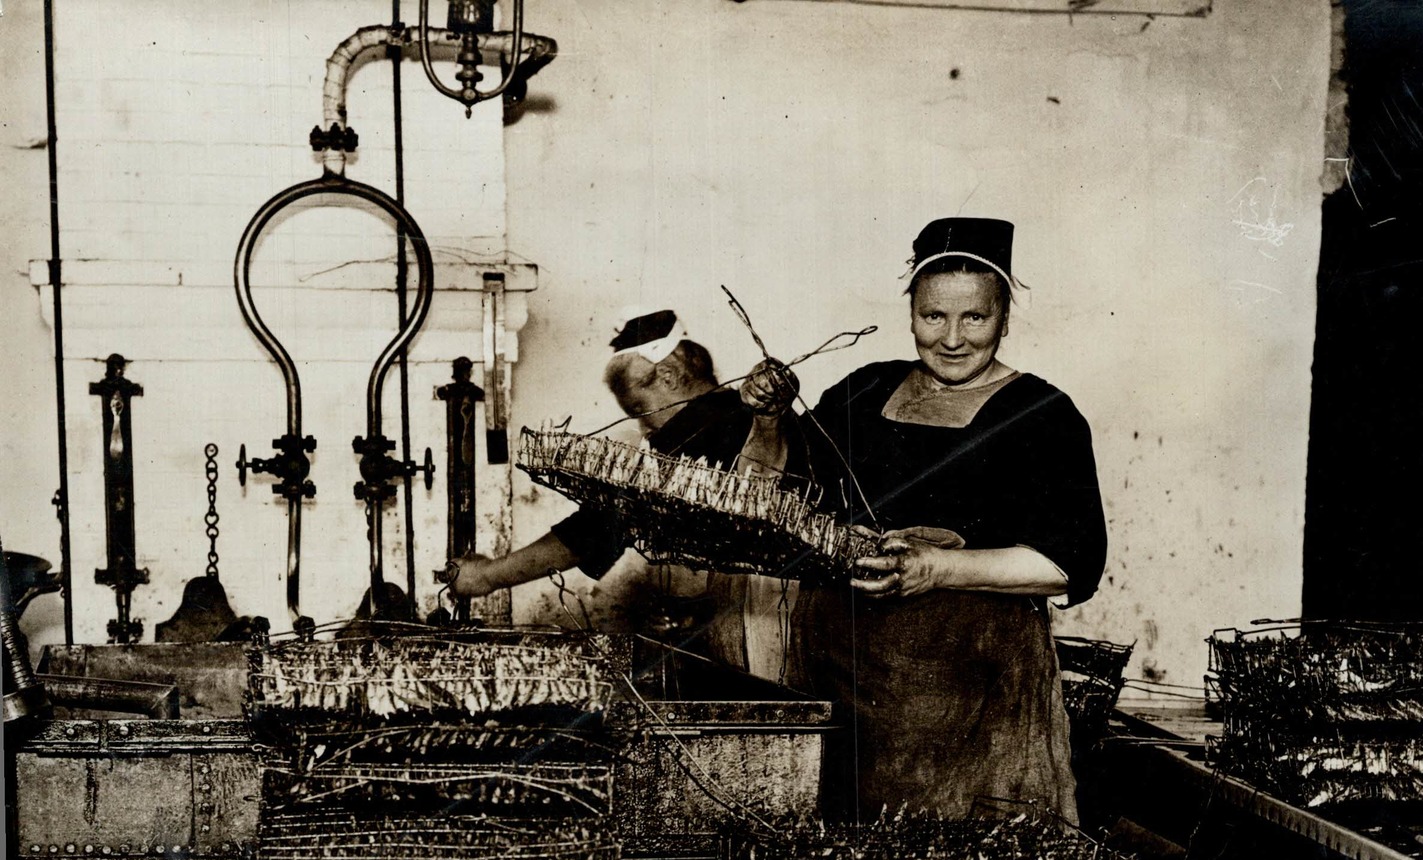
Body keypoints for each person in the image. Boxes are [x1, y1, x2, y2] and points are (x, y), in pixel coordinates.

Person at [741, 217, 1107, 822]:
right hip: (841, 677)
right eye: (934, 316)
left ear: (1005, 318)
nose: (953, 339)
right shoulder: (863, 391)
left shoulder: (1043, 415)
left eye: (975, 318)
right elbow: (775, 493)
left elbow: (1068, 563)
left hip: (972, 696)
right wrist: (769, 419)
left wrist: (934, 568)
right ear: (912, 313)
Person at [449, 309, 799, 680]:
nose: (643, 427)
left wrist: (488, 576)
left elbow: (596, 529)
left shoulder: (703, 427)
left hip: (777, 631)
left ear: (668, 376)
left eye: (639, 409)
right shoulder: (728, 419)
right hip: (761, 624)